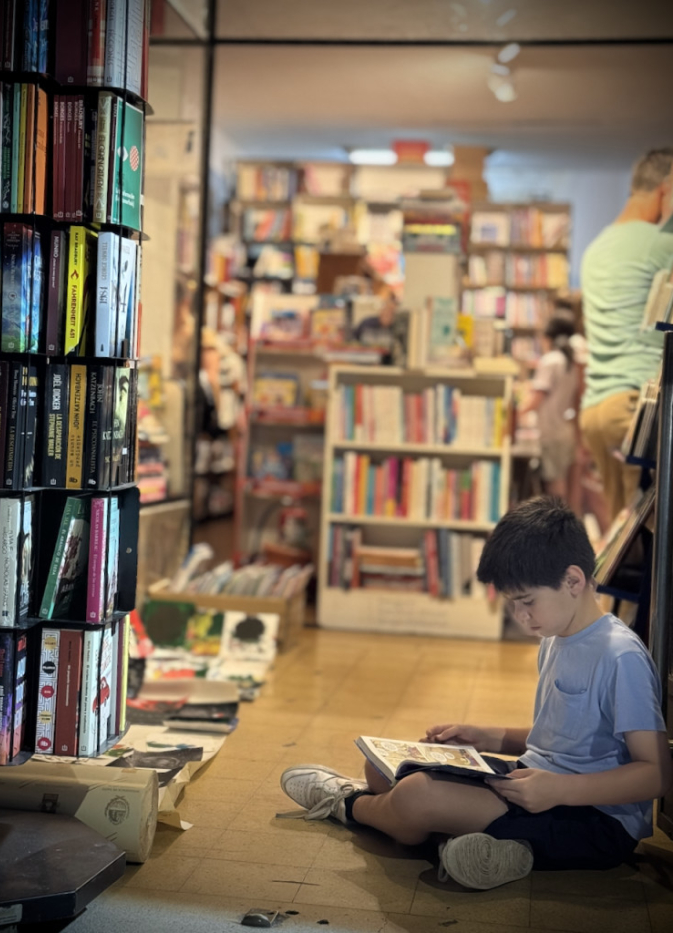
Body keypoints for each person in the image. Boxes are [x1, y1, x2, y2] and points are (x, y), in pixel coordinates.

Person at [279, 497, 671, 890]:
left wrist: (558, 790)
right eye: (513, 604)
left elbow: (655, 774)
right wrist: (489, 736)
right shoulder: (557, 635)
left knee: (415, 797)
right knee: (382, 769)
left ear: (573, 581)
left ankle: (348, 804)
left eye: (527, 602)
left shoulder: (620, 656)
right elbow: (565, 736)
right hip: (535, 783)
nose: (521, 617)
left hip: (594, 819)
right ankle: (488, 850)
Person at [580, 148, 673, 523]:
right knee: (650, 536)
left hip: (597, 411)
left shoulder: (595, 247)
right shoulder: (659, 244)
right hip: (636, 408)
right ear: (666, 188)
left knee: (623, 537)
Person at [520, 314, 580, 502]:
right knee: (565, 485)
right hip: (566, 430)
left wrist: (517, 412)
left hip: (551, 432)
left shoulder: (550, 360)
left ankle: (556, 521)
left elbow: (537, 398)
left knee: (555, 487)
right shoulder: (570, 361)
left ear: (548, 337)